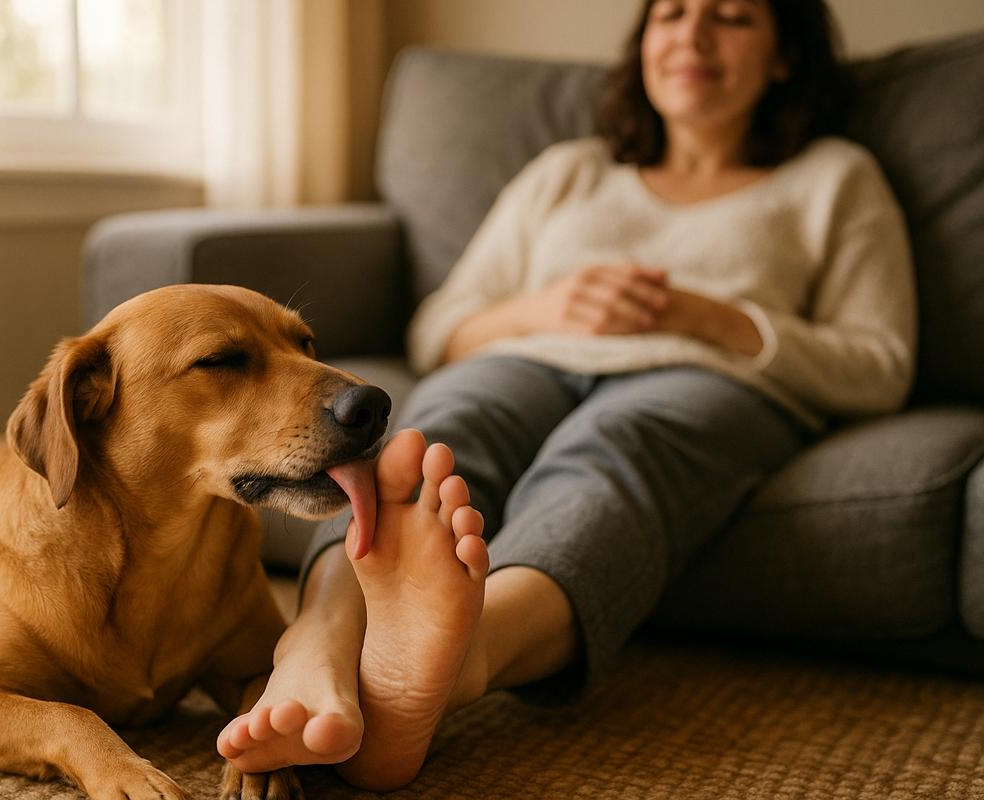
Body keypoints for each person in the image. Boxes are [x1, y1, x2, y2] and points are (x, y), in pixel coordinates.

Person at [217, 0, 916, 791]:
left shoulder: (834, 178)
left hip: (703, 379)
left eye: (732, 17)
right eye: (672, 14)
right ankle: (318, 639)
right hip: (530, 356)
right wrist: (537, 310)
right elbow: (438, 327)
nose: (692, 35)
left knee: (616, 457)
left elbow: (881, 365)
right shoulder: (570, 171)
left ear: (785, 55)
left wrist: (715, 319)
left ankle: (459, 660)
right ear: (645, 42)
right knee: (442, 434)